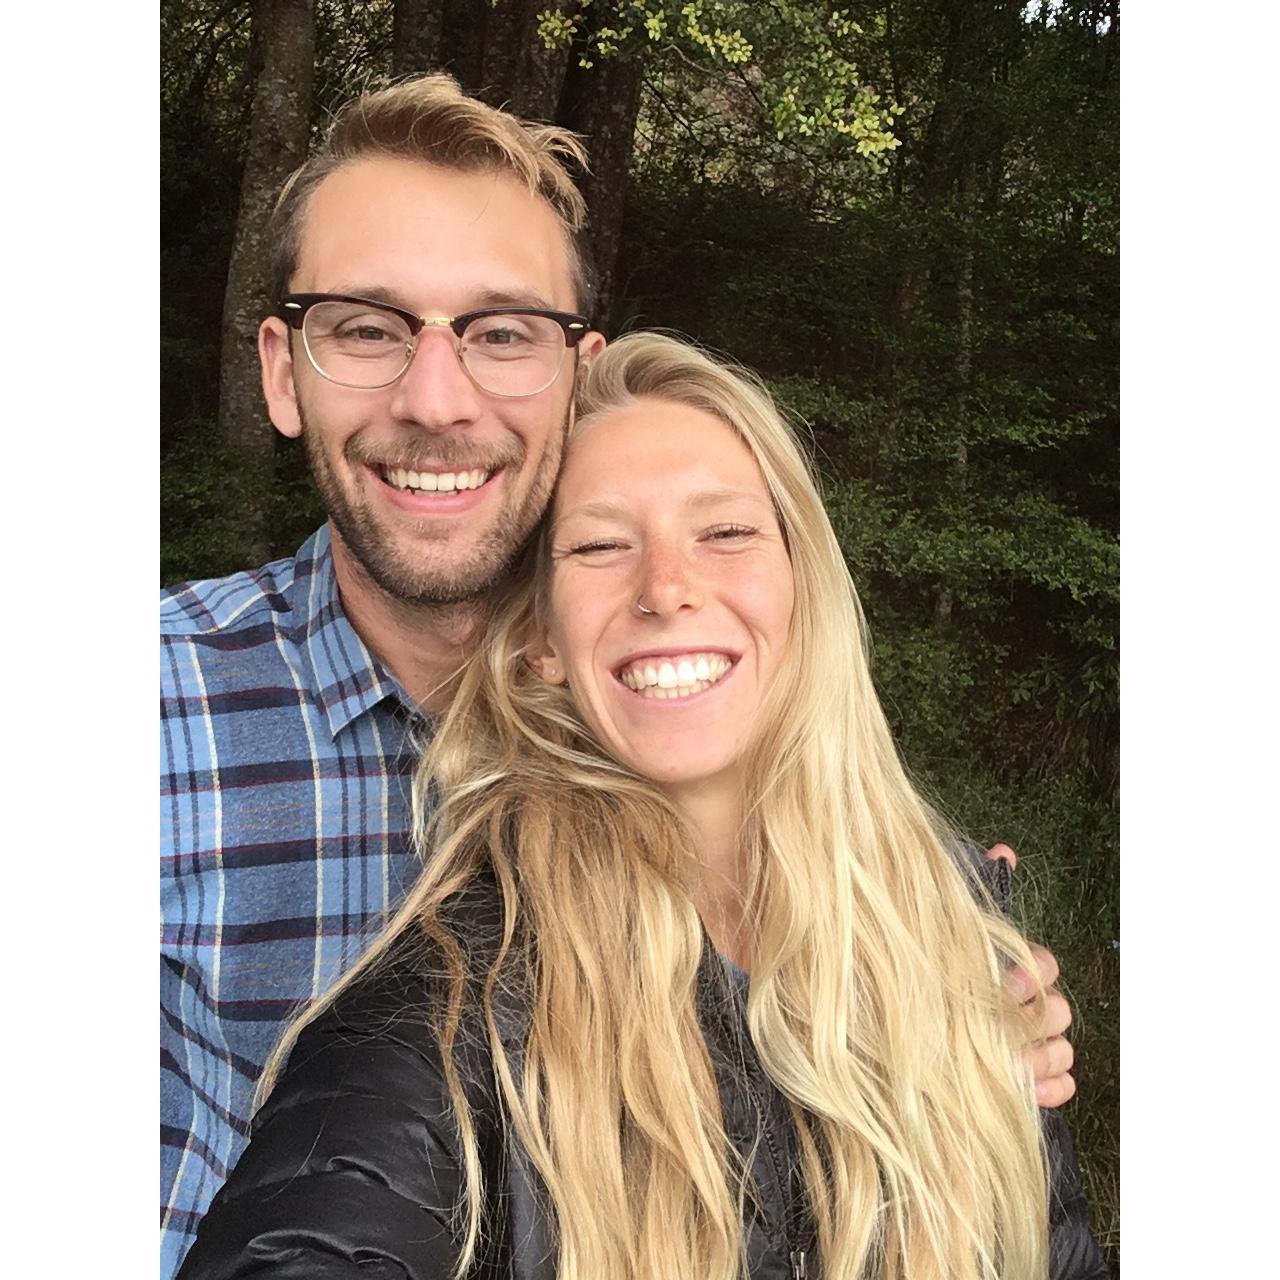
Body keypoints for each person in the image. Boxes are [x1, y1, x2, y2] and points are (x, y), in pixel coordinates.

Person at [160, 76, 1078, 1276]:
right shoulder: (148, 710)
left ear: (569, 371)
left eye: (500, 332)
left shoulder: (763, 787)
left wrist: (943, 1009)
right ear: (284, 372)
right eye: (366, 328)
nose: (434, 398)